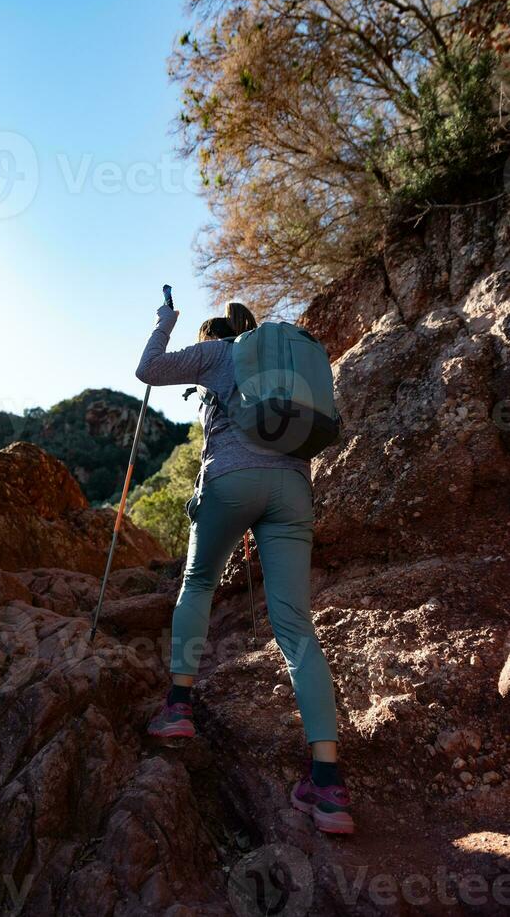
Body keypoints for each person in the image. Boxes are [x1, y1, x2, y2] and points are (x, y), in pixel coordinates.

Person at [135, 301, 353, 836]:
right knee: (296, 627)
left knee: (199, 582)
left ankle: (179, 707)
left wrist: (164, 318)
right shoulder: (282, 364)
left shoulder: (216, 351)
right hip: (293, 493)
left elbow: (149, 369)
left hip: (231, 480)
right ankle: (328, 783)